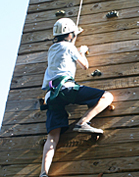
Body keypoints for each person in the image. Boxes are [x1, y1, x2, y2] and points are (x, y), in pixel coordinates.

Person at [39, 18, 114, 177]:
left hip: (51, 94)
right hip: (66, 88)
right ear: (70, 34)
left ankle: (43, 173)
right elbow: (84, 65)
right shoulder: (69, 46)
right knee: (107, 96)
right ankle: (83, 122)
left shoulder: (52, 49)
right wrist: (81, 51)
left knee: (52, 136)